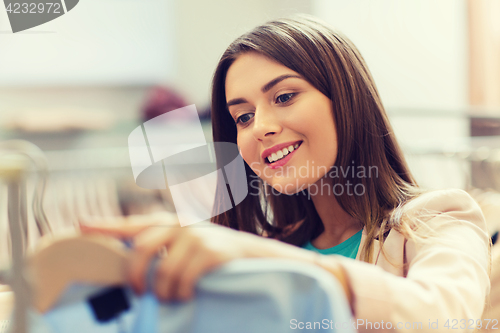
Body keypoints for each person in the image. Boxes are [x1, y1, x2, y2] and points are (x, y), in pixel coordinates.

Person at [82, 14, 492, 332]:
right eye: (242, 117)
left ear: (345, 99)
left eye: (284, 96)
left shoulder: (440, 218)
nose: (260, 126)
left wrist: (271, 262)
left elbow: (440, 316)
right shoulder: (271, 244)